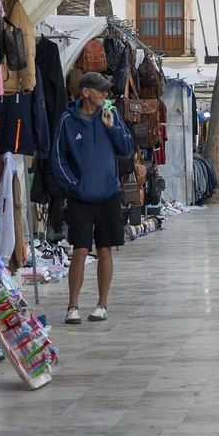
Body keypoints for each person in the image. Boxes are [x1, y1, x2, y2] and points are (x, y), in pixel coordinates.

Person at [53, 71, 135, 325]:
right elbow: (57, 158)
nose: (106, 94)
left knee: (105, 249)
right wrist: (73, 185)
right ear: (86, 92)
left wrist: (112, 129)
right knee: (79, 250)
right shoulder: (67, 120)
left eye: (107, 90)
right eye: (100, 90)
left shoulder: (110, 115)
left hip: (108, 194)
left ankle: (102, 304)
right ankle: (72, 306)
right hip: (80, 197)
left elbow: (127, 149)